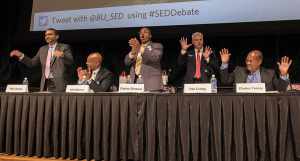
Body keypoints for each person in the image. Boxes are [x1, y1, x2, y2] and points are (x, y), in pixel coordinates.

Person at [10, 28, 73, 92]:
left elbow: (70, 61)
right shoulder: (42, 49)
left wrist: (62, 55)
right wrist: (21, 56)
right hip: (46, 83)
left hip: (60, 83)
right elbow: (32, 63)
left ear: (57, 36)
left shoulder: (64, 47)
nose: (47, 36)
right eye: (46, 35)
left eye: (50, 34)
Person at [219, 49, 292, 91]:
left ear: (259, 62)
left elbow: (281, 89)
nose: (248, 63)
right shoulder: (238, 71)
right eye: (247, 60)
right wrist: (224, 63)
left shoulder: (270, 74)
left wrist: (283, 74)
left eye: (251, 61)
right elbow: (225, 80)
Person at [124, 27, 163, 92]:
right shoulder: (136, 49)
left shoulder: (157, 46)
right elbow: (126, 62)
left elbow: (156, 57)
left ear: (150, 35)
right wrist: (132, 53)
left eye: (145, 32)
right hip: (134, 85)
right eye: (141, 32)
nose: (143, 33)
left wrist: (140, 47)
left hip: (151, 85)